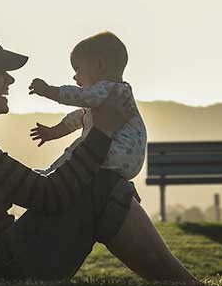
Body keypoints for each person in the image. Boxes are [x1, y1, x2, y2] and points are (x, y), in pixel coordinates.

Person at [0, 27, 195, 283]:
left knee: (101, 184)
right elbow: (50, 195)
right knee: (102, 186)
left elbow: (33, 187)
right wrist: (103, 130)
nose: (9, 80)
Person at [28, 31, 146, 182]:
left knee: (79, 149)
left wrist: (49, 91)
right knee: (82, 147)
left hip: (115, 153)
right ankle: (52, 173)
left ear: (99, 65)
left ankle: (52, 175)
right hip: (127, 160)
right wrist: (53, 132)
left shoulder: (111, 89)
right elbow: (79, 118)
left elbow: (80, 96)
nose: (74, 77)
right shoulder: (110, 95)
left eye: (77, 69)